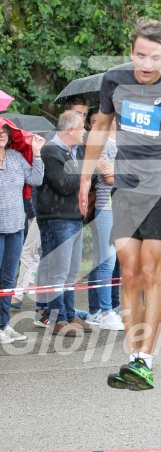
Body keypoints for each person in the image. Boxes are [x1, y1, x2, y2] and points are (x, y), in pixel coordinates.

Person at [79, 18, 161, 390]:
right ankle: (133, 358)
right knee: (129, 273)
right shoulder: (114, 80)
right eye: (140, 55)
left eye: (154, 57)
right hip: (126, 191)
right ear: (130, 50)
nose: (146, 65)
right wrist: (86, 176)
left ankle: (146, 359)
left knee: (152, 275)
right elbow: (101, 127)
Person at [35, 111, 93, 336]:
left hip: (73, 217)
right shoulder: (51, 151)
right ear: (70, 130)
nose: (85, 132)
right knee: (58, 273)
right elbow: (64, 184)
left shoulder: (74, 152)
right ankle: (57, 319)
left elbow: (89, 177)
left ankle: (69, 315)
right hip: (57, 219)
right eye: (82, 128)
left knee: (71, 272)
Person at [0, 122, 44, 344]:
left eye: (4, 132)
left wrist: (36, 153)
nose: (1, 136)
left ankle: (3, 324)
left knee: (8, 278)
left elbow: (36, 179)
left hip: (15, 227)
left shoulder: (16, 158)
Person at [85, 111, 123, 330]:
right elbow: (109, 178)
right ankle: (103, 311)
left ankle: (110, 308)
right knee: (106, 261)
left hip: (122, 208)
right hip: (105, 207)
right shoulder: (100, 144)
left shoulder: (126, 144)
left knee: (116, 261)